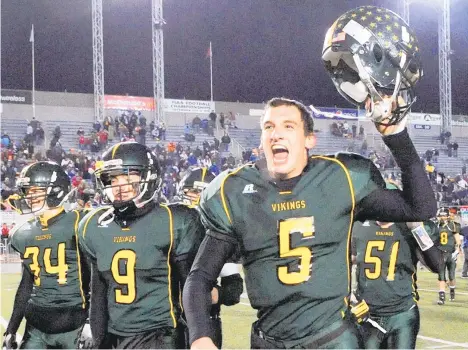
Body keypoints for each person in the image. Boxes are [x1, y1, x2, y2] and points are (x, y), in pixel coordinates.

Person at [78, 142, 205, 349]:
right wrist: (98, 338)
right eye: (112, 179)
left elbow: (192, 290)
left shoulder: (174, 220)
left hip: (159, 337)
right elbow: (99, 294)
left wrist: (199, 336)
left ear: (149, 177)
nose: (120, 186)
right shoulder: (93, 226)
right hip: (116, 336)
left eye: (128, 178)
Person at [2, 161, 90, 349]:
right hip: (37, 326)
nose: (29, 197)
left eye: (36, 191)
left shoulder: (80, 223)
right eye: (27, 192)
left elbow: (97, 280)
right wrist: (12, 327)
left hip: (74, 324)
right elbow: (26, 284)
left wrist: (91, 321)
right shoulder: (23, 233)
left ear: (56, 190)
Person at [351, 182, 442, 349]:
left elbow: (437, 266)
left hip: (402, 313)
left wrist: (417, 229)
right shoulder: (358, 226)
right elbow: (345, 262)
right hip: (368, 314)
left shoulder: (409, 228)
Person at [177, 167, 244, 348]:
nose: (197, 196)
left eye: (203, 192)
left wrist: (215, 295)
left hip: (206, 324)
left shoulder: (219, 235)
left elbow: (234, 290)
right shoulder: (168, 227)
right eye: (193, 191)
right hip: (167, 325)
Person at [430, 207, 462, 304]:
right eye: (441, 215)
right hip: (440, 253)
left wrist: (456, 252)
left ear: (447, 216)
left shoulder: (452, 225)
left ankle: (451, 291)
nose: (442, 217)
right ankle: (443, 297)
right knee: (442, 276)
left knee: (451, 276)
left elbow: (458, 241)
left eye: (443, 215)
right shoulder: (436, 226)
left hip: (449, 253)